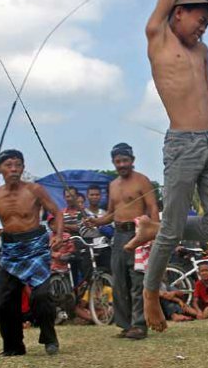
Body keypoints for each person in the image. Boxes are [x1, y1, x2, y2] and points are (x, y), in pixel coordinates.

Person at [138, 0, 208, 332]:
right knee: (174, 231)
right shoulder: (159, 38)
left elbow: (207, 93)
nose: (204, 26)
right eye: (199, 17)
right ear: (178, 12)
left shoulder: (202, 50)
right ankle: (150, 294)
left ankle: (156, 228)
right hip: (182, 145)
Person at [0, 150, 63, 356]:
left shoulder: (35, 189)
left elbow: (56, 212)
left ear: (23, 167)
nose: (14, 169)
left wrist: (57, 234)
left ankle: (49, 337)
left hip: (36, 247)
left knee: (42, 296)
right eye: (9, 165)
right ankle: (13, 346)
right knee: (5, 301)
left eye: (18, 165)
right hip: (10, 250)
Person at [86, 143, 159, 339]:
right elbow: (111, 214)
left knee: (137, 280)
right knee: (119, 282)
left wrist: (153, 233)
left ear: (132, 160)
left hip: (138, 233)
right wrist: (96, 221)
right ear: (113, 162)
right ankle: (125, 325)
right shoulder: (113, 185)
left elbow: (152, 208)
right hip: (118, 236)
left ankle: (139, 325)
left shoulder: (142, 181)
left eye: (125, 160)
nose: (121, 164)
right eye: (118, 161)